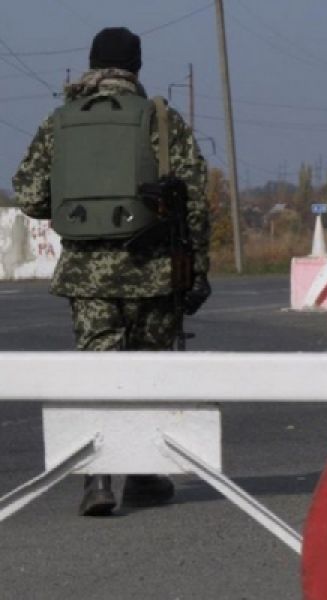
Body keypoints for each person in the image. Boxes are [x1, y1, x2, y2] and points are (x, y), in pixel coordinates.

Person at [13, 27, 211, 516]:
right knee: (148, 372)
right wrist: (197, 269)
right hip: (153, 270)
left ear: (92, 64)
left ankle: (97, 480)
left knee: (96, 371)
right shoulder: (161, 119)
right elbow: (193, 200)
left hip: (87, 273)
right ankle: (142, 475)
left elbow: (31, 196)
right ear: (136, 66)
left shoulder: (60, 121)